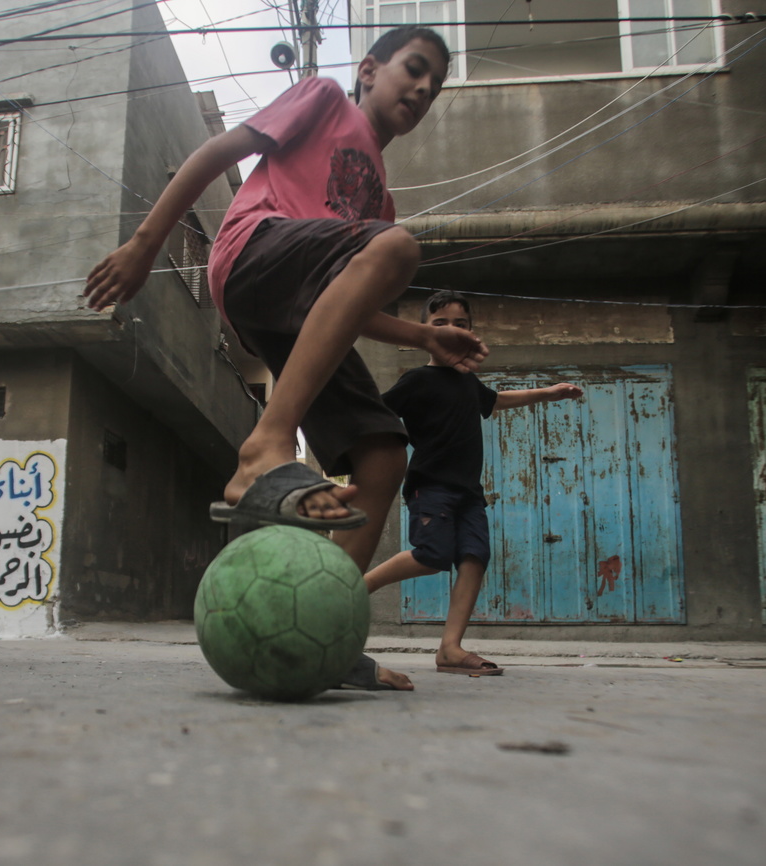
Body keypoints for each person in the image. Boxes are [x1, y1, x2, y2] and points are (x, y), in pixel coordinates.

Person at [84, 27, 486, 690]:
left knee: (385, 457)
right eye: (414, 70)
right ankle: (266, 444)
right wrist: (145, 244)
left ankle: (333, 629)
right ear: (369, 69)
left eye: (435, 86)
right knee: (397, 249)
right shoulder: (325, 99)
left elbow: (350, 305)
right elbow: (217, 152)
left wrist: (423, 338)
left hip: (291, 313)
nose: (422, 89)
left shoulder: (379, 203)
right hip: (251, 256)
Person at [370, 290, 583, 676]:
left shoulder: (469, 383)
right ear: (423, 332)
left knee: (474, 557)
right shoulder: (417, 380)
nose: (452, 330)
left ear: (471, 332)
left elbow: (496, 401)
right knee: (432, 554)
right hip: (431, 483)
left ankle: (450, 648)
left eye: (461, 324)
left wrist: (549, 393)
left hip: (469, 491)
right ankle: (358, 586)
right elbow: (377, 412)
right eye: (440, 324)